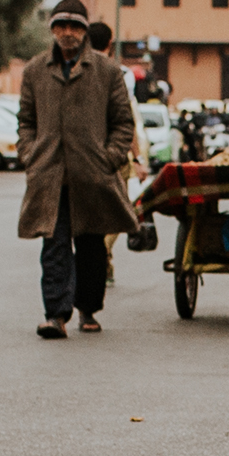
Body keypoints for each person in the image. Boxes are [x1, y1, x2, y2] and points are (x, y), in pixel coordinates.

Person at [17, 0, 139, 338]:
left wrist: (109, 158)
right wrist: (30, 154)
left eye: (75, 27)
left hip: (93, 176)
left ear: (85, 31)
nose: (67, 33)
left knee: (90, 247)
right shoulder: (35, 71)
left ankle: (88, 310)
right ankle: (56, 315)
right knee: (53, 246)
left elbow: (122, 123)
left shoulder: (107, 71)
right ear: (53, 29)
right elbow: (26, 122)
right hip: (50, 177)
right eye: (61, 26)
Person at [86, 20, 151, 284]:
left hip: (85, 155)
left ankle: (101, 256)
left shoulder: (73, 71)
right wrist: (136, 157)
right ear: (110, 45)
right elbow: (127, 121)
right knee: (118, 209)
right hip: (115, 156)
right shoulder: (118, 75)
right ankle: (102, 252)